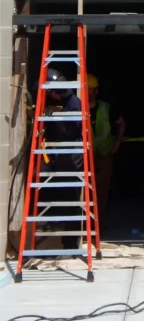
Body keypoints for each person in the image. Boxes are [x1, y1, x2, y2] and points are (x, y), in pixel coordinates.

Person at [41, 69, 83, 250]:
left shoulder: (73, 104)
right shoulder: (67, 102)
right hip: (63, 159)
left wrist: (52, 119)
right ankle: (63, 241)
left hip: (71, 161)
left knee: (70, 202)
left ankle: (70, 244)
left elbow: (71, 130)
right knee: (59, 198)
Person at [86, 74, 126, 222]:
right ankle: (85, 224)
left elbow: (122, 123)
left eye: (91, 89)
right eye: (86, 89)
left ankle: (97, 223)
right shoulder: (78, 108)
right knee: (85, 191)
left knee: (101, 192)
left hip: (103, 156)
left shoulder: (106, 109)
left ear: (96, 91)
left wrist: (117, 143)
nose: (88, 92)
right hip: (85, 158)